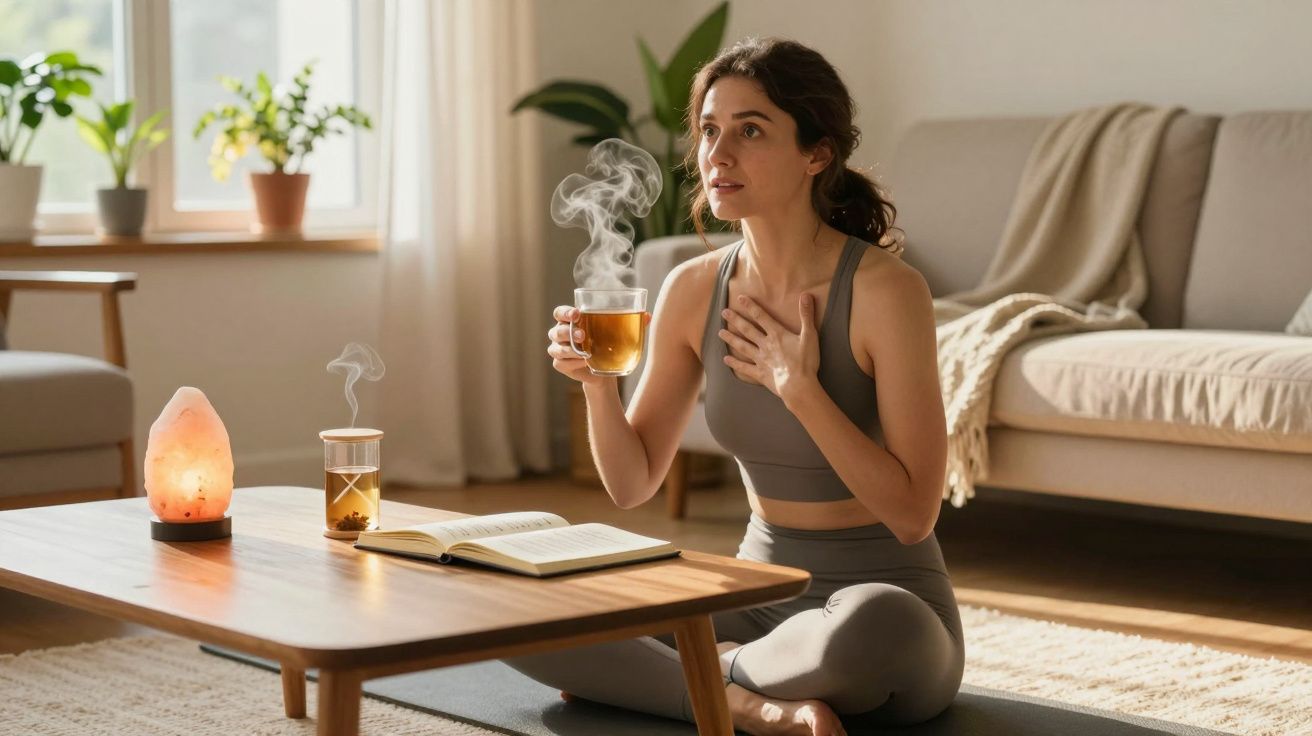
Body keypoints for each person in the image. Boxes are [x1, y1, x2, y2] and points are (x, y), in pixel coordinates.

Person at [515, 37, 963, 736]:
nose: (718, 155)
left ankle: (689, 676)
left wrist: (800, 388)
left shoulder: (886, 291)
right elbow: (632, 484)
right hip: (751, 599)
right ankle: (744, 703)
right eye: (709, 131)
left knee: (875, 627)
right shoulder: (693, 288)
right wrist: (597, 386)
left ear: (816, 154)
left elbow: (912, 516)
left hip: (879, 606)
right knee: (523, 606)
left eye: (750, 131)